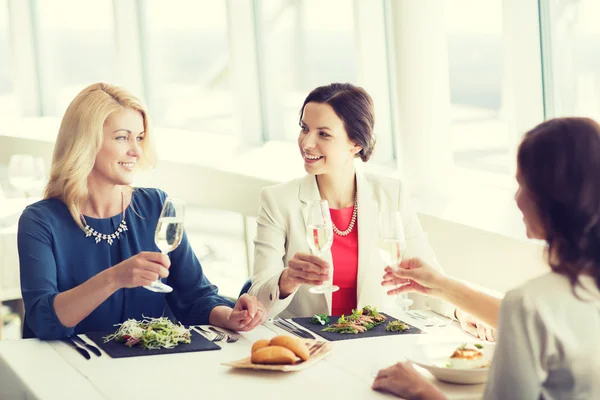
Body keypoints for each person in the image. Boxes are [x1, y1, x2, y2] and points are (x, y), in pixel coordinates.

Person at [18, 82, 266, 340]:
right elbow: (43, 320)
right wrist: (114, 278)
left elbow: (196, 296)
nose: (136, 151)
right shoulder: (40, 221)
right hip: (70, 368)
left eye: (139, 137)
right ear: (85, 142)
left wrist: (230, 316)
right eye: (122, 137)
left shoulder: (155, 206)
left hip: (147, 364)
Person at [374, 117, 600, 399]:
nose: (516, 199)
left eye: (522, 184)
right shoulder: (570, 292)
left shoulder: (532, 302)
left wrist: (421, 390)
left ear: (551, 198)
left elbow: (531, 313)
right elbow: (544, 321)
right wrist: (440, 285)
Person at [250, 82, 466, 325]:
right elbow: (256, 299)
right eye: (304, 128)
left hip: (376, 339)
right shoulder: (278, 200)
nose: (307, 143)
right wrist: (287, 279)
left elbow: (428, 274)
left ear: (356, 143)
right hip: (308, 345)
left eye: (323, 134)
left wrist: (462, 312)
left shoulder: (391, 194)